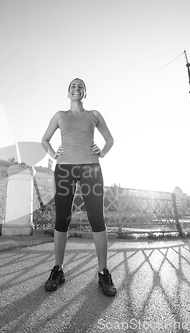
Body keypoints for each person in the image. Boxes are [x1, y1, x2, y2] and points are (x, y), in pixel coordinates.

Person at [41, 78, 116, 296]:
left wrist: (101, 152)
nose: (77, 89)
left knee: (97, 219)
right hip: (64, 169)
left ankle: (103, 272)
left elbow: (110, 140)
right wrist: (54, 154)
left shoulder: (94, 115)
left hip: (91, 168)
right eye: (73, 86)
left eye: (80, 87)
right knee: (62, 218)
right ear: (68, 92)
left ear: (85, 93)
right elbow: (45, 140)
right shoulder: (60, 116)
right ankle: (58, 270)